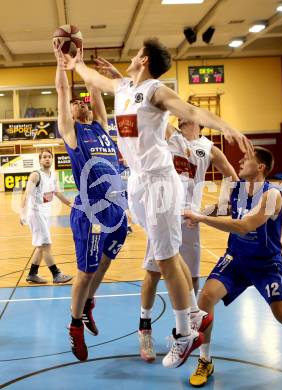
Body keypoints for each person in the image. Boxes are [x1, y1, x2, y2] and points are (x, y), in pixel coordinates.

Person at [60, 38, 253, 368]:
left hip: (159, 179)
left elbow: (189, 111)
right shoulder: (123, 86)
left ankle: (184, 333)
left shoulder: (155, 91)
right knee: (168, 254)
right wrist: (71, 61)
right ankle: (194, 314)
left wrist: (224, 125)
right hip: (136, 182)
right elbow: (93, 79)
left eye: (136, 54)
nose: (132, 57)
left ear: (144, 59)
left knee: (164, 259)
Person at [184, 146, 282, 387]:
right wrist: (195, 212)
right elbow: (226, 209)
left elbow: (246, 225)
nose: (240, 161)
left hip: (266, 264)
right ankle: (205, 360)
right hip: (236, 259)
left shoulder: (272, 196)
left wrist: (202, 219)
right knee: (205, 297)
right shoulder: (237, 189)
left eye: (246, 158)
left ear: (260, 167)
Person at [137, 118, 239, 362]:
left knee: (191, 278)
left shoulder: (210, 147)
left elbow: (232, 176)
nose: (181, 115)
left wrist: (217, 206)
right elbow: (154, 112)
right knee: (153, 273)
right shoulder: (172, 136)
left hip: (191, 218)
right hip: (163, 212)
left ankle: (181, 331)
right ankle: (145, 329)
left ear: (198, 121)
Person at [54, 42, 128, 362]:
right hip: (91, 209)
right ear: (69, 113)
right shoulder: (72, 134)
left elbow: (95, 93)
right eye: (73, 104)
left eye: (81, 101)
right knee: (85, 272)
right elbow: (60, 90)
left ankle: (88, 304)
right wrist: (62, 64)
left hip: (116, 206)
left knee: (110, 253)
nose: (79, 104)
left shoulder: (100, 126)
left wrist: (83, 65)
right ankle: (75, 327)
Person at [20, 149, 73, 284]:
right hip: (35, 213)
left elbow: (58, 193)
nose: (47, 159)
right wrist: (22, 213)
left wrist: (71, 205)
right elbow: (26, 194)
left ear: (52, 159)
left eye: (49, 157)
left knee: (40, 246)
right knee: (46, 244)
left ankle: (32, 274)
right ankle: (56, 274)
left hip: (44, 214)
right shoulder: (35, 175)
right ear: (40, 160)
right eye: (44, 157)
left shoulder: (52, 176)